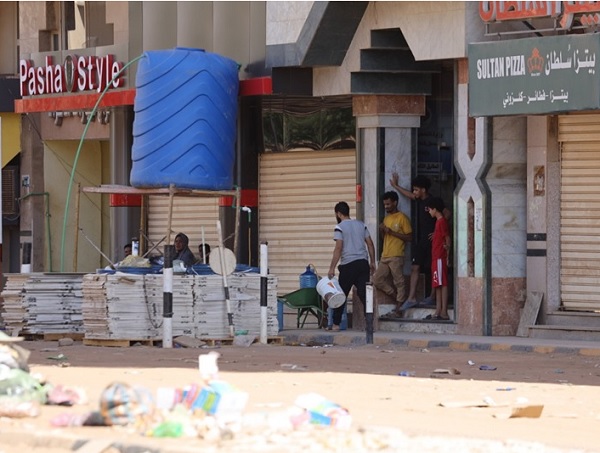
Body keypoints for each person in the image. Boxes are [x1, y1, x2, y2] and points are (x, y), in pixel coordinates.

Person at [390, 173, 437, 311]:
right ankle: (411, 298)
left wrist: (437, 232)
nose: (414, 192)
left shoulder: (432, 202)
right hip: (420, 241)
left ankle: (432, 296)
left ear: (423, 190)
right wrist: (395, 186)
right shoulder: (419, 200)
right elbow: (409, 195)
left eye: (416, 189)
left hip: (431, 241)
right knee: (415, 267)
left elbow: (446, 214)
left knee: (432, 269)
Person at [327, 201, 376, 331]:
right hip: (362, 264)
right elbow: (370, 244)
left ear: (338, 213)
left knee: (341, 294)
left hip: (348, 265)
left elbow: (338, 248)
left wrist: (332, 267)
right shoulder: (361, 225)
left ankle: (336, 324)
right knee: (364, 294)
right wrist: (372, 262)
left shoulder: (340, 227)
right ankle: (369, 324)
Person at [373, 191, 413, 318]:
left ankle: (399, 308)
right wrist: (382, 231)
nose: (386, 207)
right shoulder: (386, 218)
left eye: (388, 204)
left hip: (396, 255)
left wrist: (391, 232)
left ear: (395, 203)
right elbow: (384, 237)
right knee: (376, 280)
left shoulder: (402, 218)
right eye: (384, 204)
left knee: (399, 281)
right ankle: (398, 298)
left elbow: (410, 237)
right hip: (385, 255)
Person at [424, 197, 451, 320]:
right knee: (438, 284)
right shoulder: (439, 222)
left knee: (442, 283)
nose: (429, 211)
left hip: (440, 257)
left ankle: (443, 311)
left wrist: (448, 255)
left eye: (429, 209)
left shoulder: (441, 222)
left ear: (435, 209)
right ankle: (439, 310)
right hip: (436, 257)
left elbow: (447, 238)